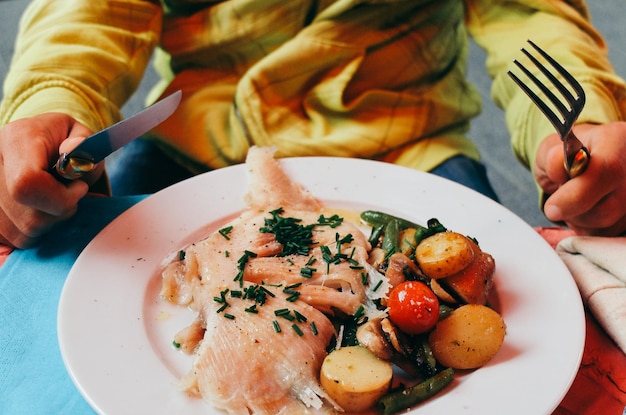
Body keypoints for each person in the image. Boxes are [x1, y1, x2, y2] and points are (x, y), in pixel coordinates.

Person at [0, 0, 625, 250]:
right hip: (197, 139)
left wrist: (585, 122)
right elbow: (90, 13)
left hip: (409, 143)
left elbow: (531, 17)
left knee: (502, 293)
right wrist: (46, 102)